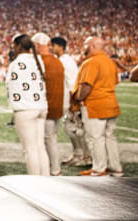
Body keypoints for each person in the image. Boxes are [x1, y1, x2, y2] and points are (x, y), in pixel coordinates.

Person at [74, 37, 123, 177]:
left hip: (95, 105)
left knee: (96, 138)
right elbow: (115, 82)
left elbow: (86, 85)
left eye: (85, 44)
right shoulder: (110, 62)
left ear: (92, 45)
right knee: (110, 137)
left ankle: (99, 168)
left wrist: (79, 98)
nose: (83, 47)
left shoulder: (91, 62)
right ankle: (115, 168)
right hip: (111, 104)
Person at [6, 34, 49, 176]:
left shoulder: (15, 64)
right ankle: (46, 179)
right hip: (41, 107)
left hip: (25, 109)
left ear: (18, 46)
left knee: (30, 149)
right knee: (40, 147)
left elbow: (10, 87)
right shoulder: (38, 61)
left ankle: (35, 182)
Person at [51, 37, 90, 166]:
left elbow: (72, 82)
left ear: (60, 46)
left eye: (54, 45)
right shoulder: (62, 60)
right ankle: (78, 155)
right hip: (66, 99)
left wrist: (74, 102)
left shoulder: (65, 61)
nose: (52, 48)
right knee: (71, 128)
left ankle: (85, 156)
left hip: (69, 99)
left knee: (74, 128)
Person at [32, 33, 64, 176]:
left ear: (38, 46)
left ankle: (54, 171)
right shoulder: (57, 61)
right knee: (51, 138)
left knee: (47, 140)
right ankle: (54, 169)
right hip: (57, 105)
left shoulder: (41, 62)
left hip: (47, 106)